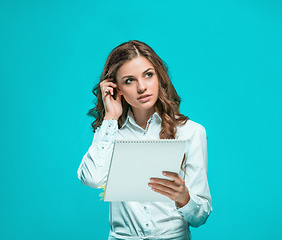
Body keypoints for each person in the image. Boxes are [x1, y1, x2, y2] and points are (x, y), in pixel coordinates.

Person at [77, 40, 212, 240]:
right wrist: (110, 117)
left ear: (159, 77)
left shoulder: (191, 132)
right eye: (129, 80)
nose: (142, 87)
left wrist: (184, 198)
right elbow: (91, 179)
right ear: (117, 88)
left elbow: (199, 217)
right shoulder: (110, 132)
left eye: (148, 75)